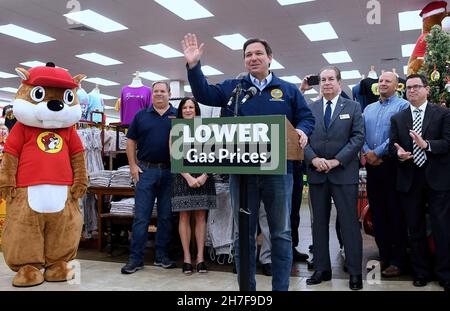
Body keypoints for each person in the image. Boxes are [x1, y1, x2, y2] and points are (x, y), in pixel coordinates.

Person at [181, 33, 315, 291]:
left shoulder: (287, 90)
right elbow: (204, 93)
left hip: (279, 170)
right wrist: (194, 66)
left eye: (258, 53)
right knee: (243, 234)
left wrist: (303, 131)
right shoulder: (235, 88)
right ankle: (247, 291)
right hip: (242, 172)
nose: (253, 58)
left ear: (270, 58)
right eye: (248, 55)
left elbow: (306, 118)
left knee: (281, 233)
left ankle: (280, 289)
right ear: (244, 61)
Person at [304, 66, 364, 290]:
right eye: (323, 80)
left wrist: (337, 160)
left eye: (331, 79)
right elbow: (303, 139)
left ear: (339, 82)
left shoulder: (353, 107)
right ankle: (322, 268)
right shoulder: (310, 109)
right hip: (317, 174)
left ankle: (355, 272)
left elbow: (358, 137)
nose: (326, 83)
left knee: (349, 223)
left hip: (343, 173)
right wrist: (313, 159)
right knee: (318, 223)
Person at [389, 74, 450, 290]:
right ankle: (421, 272)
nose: (412, 91)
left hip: (437, 179)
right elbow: (391, 147)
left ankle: (444, 273)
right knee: (414, 229)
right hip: (409, 179)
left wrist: (427, 145)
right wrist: (399, 155)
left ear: (427, 89)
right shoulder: (398, 118)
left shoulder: (442, 114)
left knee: (442, 228)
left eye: (417, 87)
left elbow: (448, 143)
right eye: (408, 88)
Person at [121, 81, 178, 274]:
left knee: (165, 217)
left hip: (171, 172)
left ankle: (161, 256)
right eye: (156, 92)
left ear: (169, 93)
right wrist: (132, 166)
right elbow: (130, 140)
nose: (159, 94)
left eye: (163, 91)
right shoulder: (141, 115)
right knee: (141, 218)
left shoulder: (178, 115)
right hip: (145, 171)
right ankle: (135, 259)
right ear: (151, 94)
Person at [362, 71, 410, 277]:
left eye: (387, 81)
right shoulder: (368, 108)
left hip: (392, 166)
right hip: (372, 168)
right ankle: (384, 257)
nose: (382, 83)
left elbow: (397, 135)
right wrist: (367, 153)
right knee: (378, 214)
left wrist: (377, 153)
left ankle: (398, 260)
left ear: (397, 85)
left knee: (395, 213)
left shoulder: (403, 106)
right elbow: (360, 134)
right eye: (380, 81)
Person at [171, 97, 217, 275]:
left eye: (191, 107)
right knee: (184, 216)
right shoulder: (175, 128)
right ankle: (187, 259)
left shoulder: (207, 129)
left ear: (196, 110)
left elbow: (214, 153)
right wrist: (188, 177)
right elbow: (173, 155)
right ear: (181, 111)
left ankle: (200, 258)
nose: (188, 110)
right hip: (182, 176)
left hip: (204, 176)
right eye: (185, 107)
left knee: (200, 216)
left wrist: (205, 175)